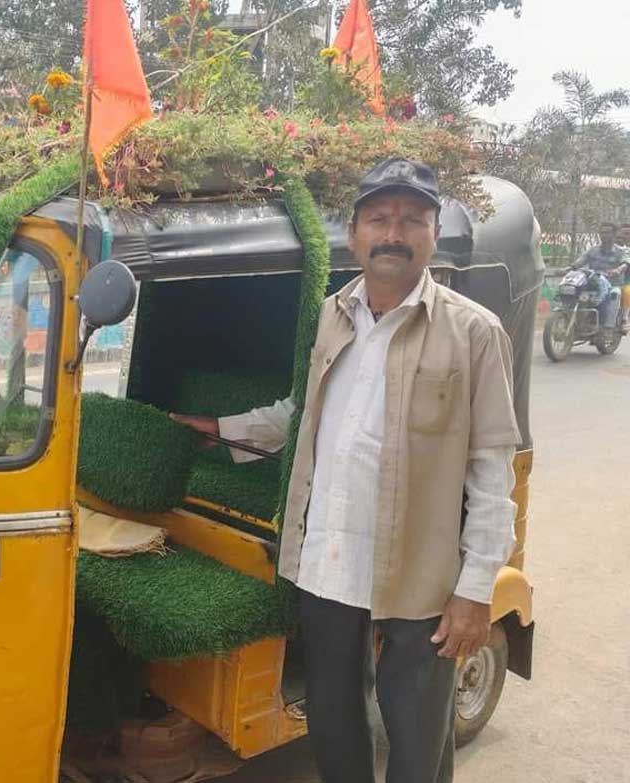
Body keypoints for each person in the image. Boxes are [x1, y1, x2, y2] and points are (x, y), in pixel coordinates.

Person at [172, 158, 521, 783]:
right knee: (333, 720)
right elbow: (302, 411)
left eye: (412, 219)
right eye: (379, 218)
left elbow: (492, 472)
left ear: (433, 233)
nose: (394, 232)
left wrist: (474, 591)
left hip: (421, 572)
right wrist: (222, 430)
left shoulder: (474, 333)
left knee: (416, 732)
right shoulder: (333, 315)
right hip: (328, 560)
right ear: (354, 234)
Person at [573, 221, 628, 333]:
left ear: (614, 234)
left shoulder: (622, 251)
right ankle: (571, 316)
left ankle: (608, 327)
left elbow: (626, 262)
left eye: (607, 233)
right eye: (602, 233)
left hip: (613, 284)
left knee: (615, 294)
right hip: (592, 283)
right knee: (573, 289)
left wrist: (618, 269)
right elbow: (581, 261)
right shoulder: (593, 250)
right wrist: (570, 267)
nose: (604, 235)